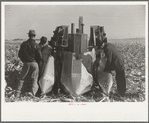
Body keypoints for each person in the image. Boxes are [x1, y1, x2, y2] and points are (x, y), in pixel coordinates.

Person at [15, 30, 42, 98]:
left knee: (22, 78)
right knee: (34, 79)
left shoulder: (24, 44)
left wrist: (24, 61)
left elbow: (20, 54)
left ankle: (17, 94)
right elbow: (40, 56)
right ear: (35, 36)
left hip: (26, 63)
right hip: (34, 63)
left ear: (28, 35)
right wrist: (37, 62)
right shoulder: (36, 45)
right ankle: (33, 94)